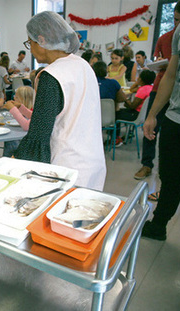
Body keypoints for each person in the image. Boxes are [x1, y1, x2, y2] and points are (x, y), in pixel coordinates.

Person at [14, 11, 106, 191]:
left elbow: (39, 134)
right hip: (92, 161)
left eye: (29, 43)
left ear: (41, 41)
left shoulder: (52, 76)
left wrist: (13, 163)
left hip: (67, 167)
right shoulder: (83, 65)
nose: (30, 49)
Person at [142, 0, 180, 241]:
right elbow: (171, 73)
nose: (177, 22)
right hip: (175, 118)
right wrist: (152, 115)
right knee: (170, 178)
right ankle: (158, 225)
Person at [134, 3, 180, 181]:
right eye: (175, 19)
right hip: (161, 87)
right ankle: (147, 164)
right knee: (151, 127)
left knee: (174, 137)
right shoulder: (165, 38)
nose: (178, 23)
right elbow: (158, 61)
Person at [115, 70, 155, 146]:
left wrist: (125, 99)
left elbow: (132, 106)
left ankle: (116, 138)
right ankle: (128, 133)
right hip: (143, 115)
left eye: (139, 77)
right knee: (121, 110)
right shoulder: (150, 88)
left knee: (115, 114)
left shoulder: (142, 90)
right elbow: (131, 89)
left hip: (135, 115)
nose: (137, 78)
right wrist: (137, 82)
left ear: (142, 79)